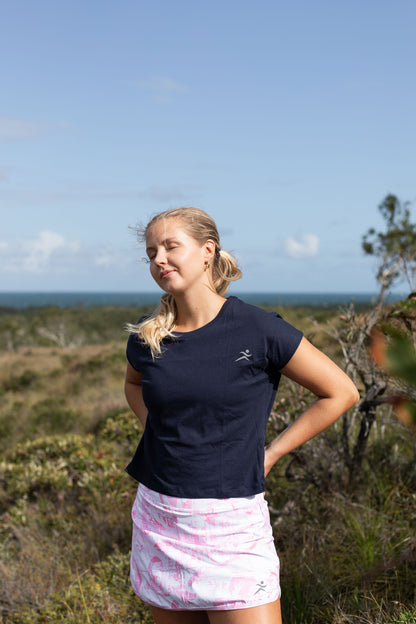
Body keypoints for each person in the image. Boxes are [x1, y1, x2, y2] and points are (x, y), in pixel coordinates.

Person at [124, 207, 359, 624]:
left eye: (171, 247)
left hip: (233, 525)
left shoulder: (258, 329)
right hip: (160, 520)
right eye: (151, 252)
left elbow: (340, 393)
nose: (159, 259)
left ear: (207, 251)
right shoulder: (148, 335)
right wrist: (154, 431)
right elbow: (134, 385)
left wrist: (270, 455)